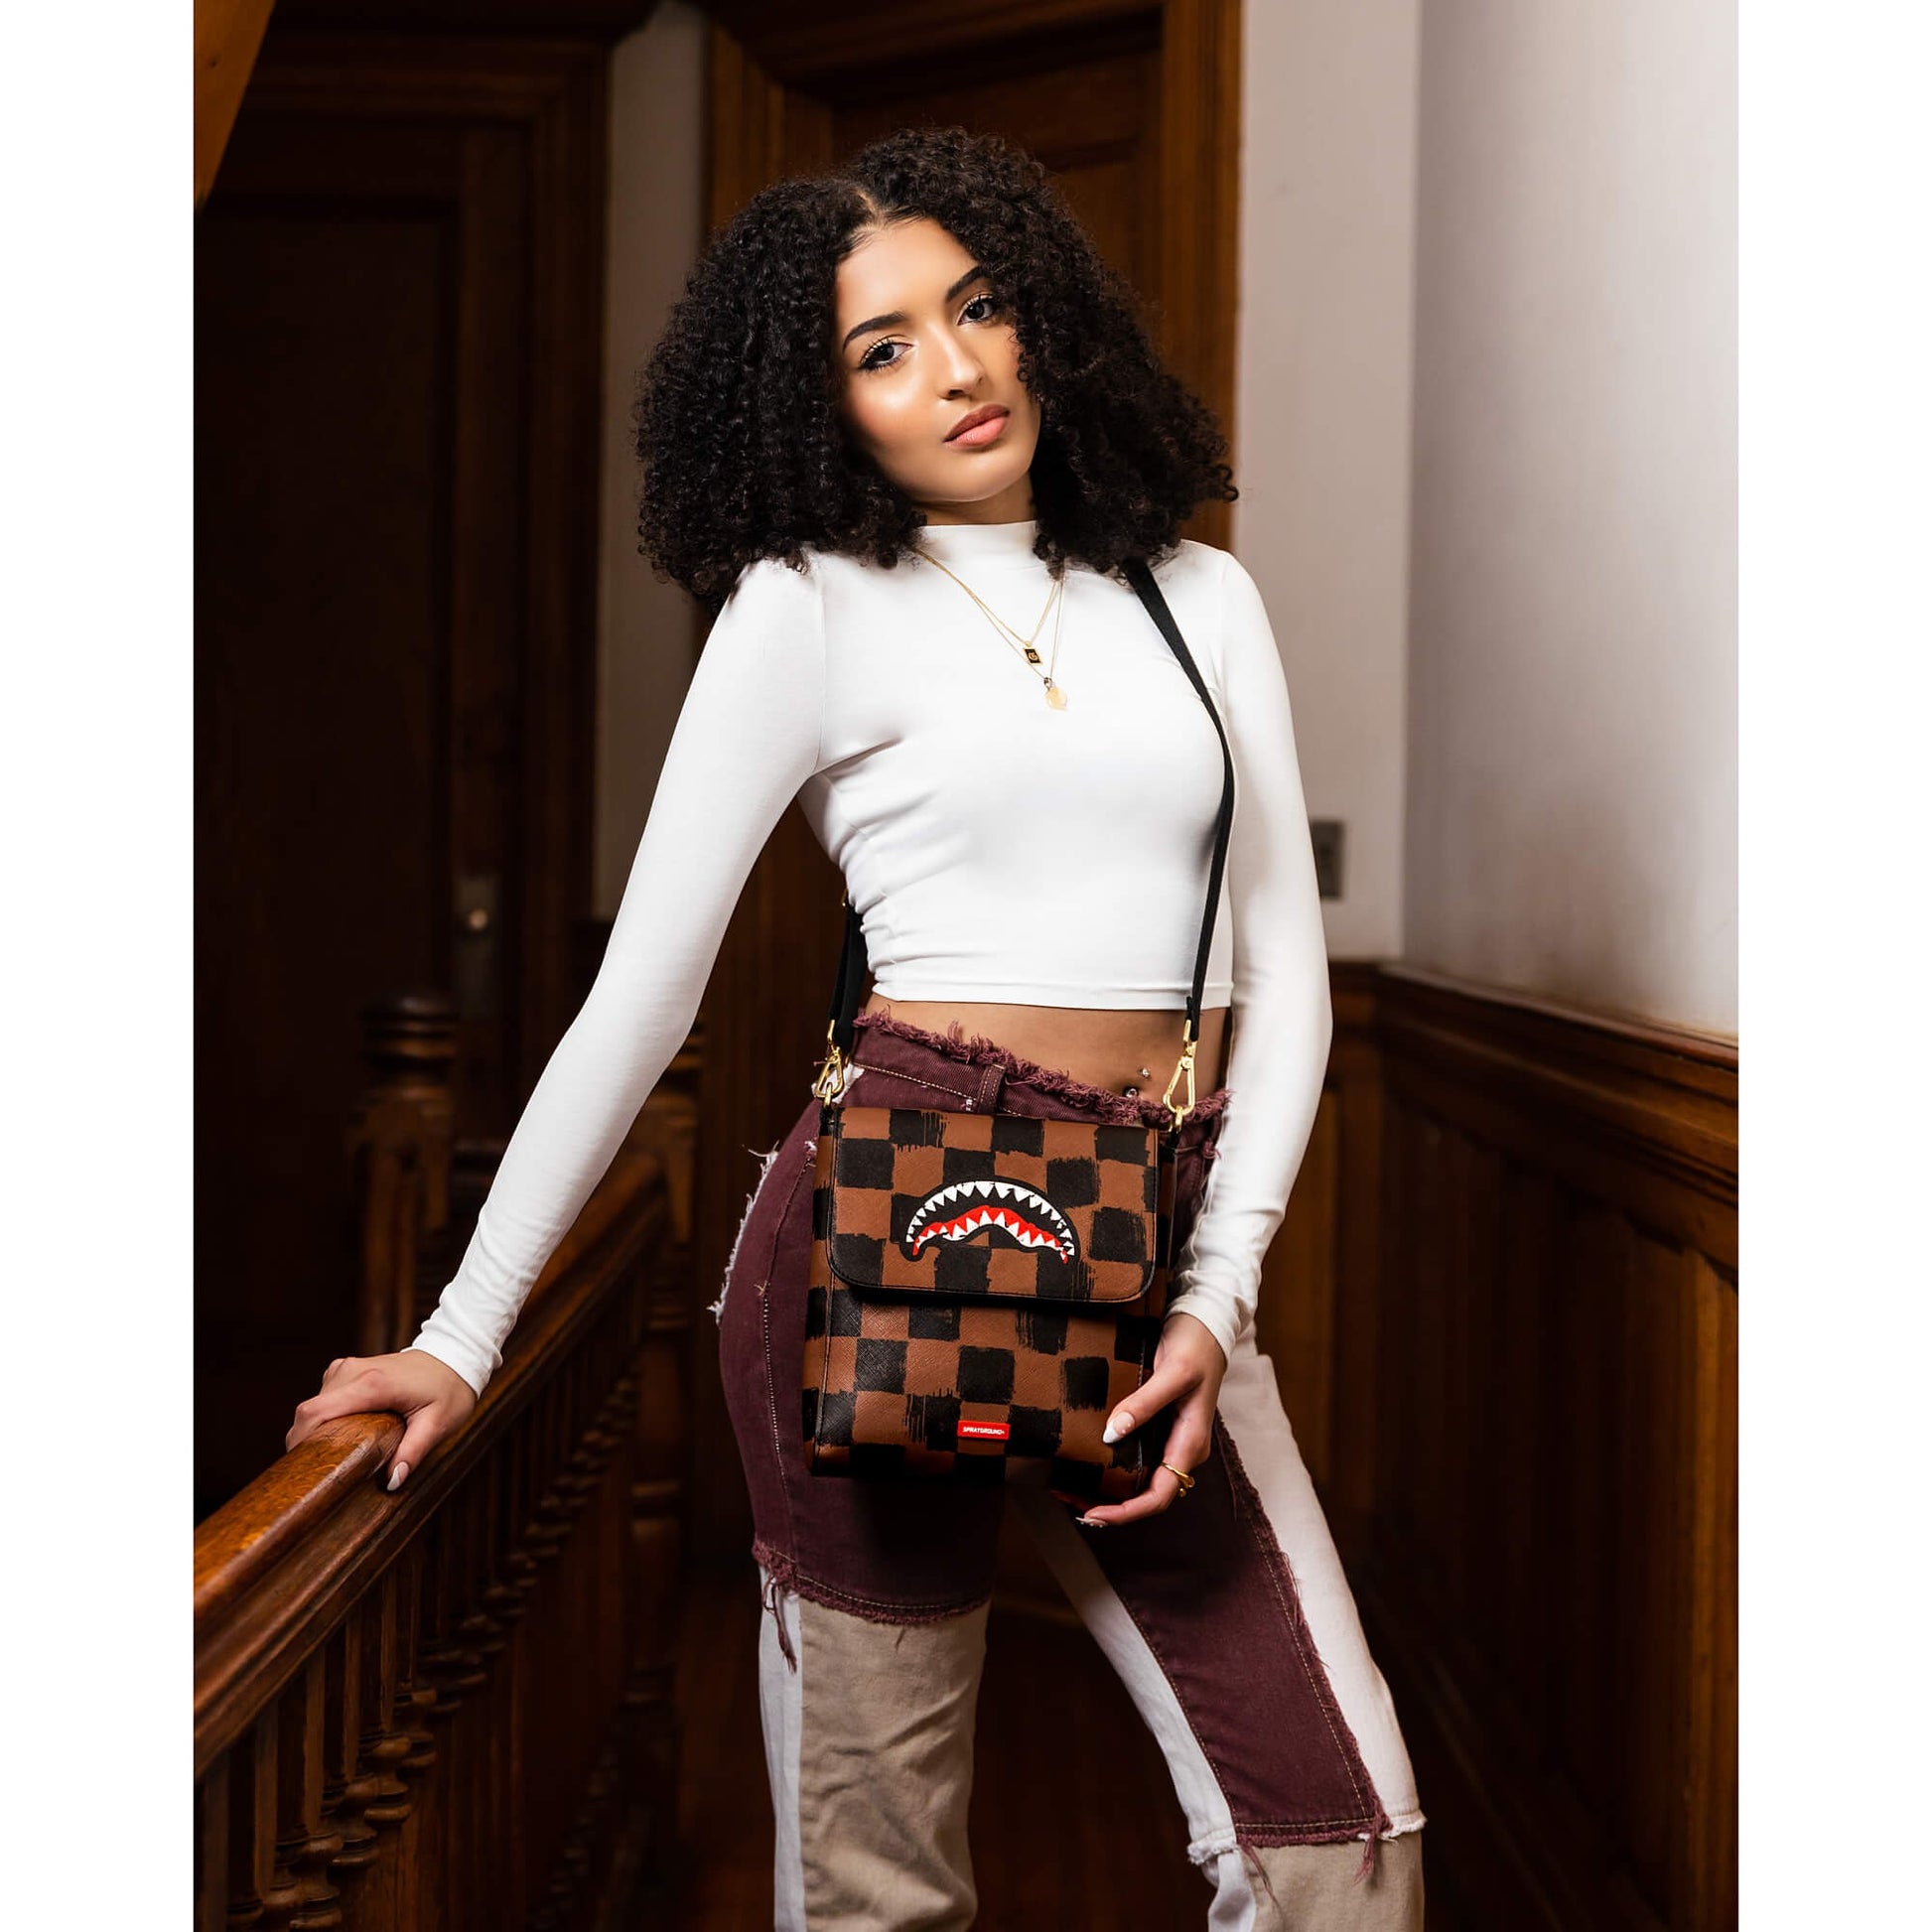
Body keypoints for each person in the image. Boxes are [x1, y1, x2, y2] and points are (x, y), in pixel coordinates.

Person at [288, 124, 1426, 1930]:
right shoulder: (802, 608)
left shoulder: (1199, 595)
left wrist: (1217, 1296)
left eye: (975, 308)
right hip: (882, 1240)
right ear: (820, 408)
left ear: (1041, 313)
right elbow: (641, 992)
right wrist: (460, 1336)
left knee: (1340, 1839)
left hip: (1157, 1249)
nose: (954, 368)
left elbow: (1283, 974)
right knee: (877, 1881)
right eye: (881, 348)